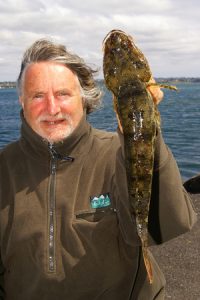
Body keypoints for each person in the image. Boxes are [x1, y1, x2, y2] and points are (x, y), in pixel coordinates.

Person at [0, 39, 197, 300]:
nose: (52, 108)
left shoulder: (116, 152)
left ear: (84, 99)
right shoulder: (4, 167)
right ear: (22, 103)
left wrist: (148, 138)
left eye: (63, 94)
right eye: (38, 95)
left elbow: (169, 226)